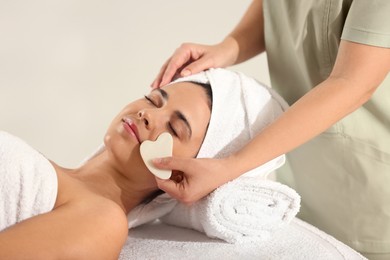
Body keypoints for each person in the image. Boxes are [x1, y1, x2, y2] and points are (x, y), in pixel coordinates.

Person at [150, 0, 390, 259]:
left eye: (176, 127)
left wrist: (230, 166)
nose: (145, 116)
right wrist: (230, 47)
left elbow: (353, 82)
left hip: (368, 188)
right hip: (301, 177)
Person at [0, 81, 212, 259]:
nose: (146, 113)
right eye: (152, 100)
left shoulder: (104, 221)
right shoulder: (45, 171)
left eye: (174, 128)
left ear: (180, 174)